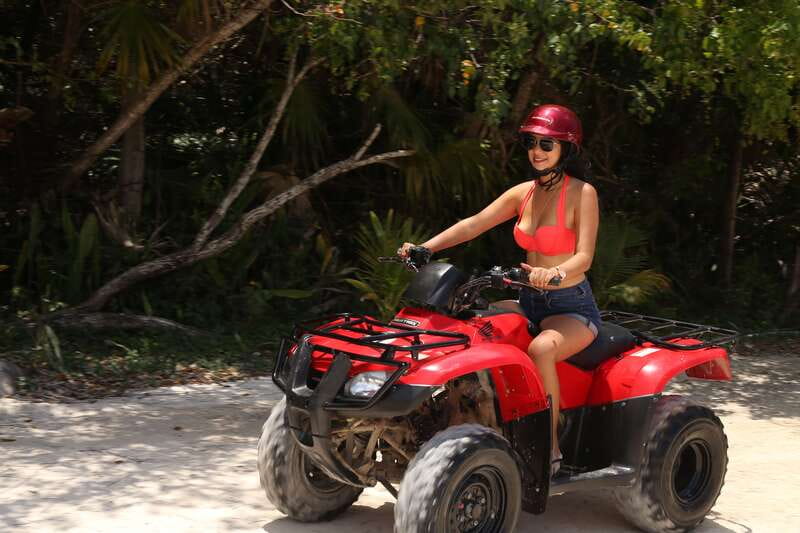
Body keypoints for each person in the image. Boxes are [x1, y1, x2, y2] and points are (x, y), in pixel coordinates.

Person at [398, 104, 601, 476]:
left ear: (566, 149)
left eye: (546, 144)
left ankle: (550, 446)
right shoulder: (524, 193)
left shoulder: (582, 194)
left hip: (571, 306)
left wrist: (555, 272)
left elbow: (584, 257)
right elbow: (473, 224)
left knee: (541, 347)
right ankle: (473, 418)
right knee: (474, 327)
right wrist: (426, 247)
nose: (536, 151)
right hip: (529, 299)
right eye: (530, 142)